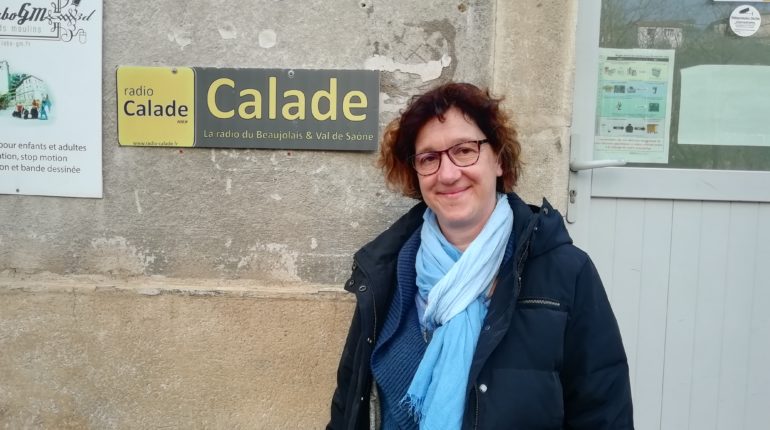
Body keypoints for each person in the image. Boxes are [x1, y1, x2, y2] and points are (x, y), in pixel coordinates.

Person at [327, 82, 633, 429]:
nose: (447, 174)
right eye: (429, 158)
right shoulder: (386, 272)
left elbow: (604, 414)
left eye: (464, 150)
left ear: (499, 159)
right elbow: (348, 405)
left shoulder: (565, 272)